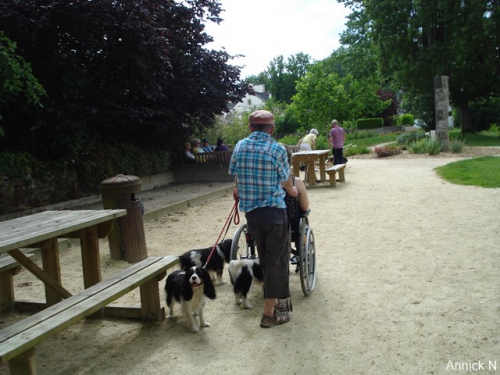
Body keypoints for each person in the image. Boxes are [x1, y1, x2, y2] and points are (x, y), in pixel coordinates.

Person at [229, 109, 298, 329]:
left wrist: (240, 189)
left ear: (250, 127)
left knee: (265, 257)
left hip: (253, 216)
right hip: (274, 212)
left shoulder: (239, 146)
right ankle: (269, 313)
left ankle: (274, 300)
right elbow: (286, 181)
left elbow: (236, 173)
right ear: (272, 129)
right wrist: (293, 192)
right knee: (277, 260)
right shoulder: (277, 149)